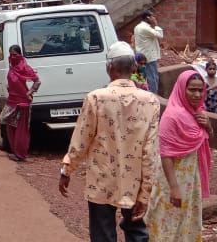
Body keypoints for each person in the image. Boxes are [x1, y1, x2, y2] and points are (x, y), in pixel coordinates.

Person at [59, 42, 159, 242]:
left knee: (102, 233)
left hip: (101, 179)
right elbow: (151, 150)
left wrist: (67, 170)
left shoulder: (96, 98)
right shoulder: (150, 101)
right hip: (135, 180)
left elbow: (81, 139)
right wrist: (146, 191)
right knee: (137, 231)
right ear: (134, 67)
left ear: (109, 68)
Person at [146, 70, 213, 241]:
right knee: (168, 224)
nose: (197, 94)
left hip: (190, 178)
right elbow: (166, 153)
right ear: (182, 89)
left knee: (187, 223)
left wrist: (209, 126)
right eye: (192, 90)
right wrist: (174, 187)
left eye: (201, 90)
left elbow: (203, 140)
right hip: (172, 178)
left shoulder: (198, 113)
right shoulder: (172, 116)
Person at [1, 45, 40, 162]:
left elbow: (37, 81)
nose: (12, 57)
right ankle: (15, 151)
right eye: (11, 55)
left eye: (15, 55)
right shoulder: (12, 67)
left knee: (21, 129)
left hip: (23, 102)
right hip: (12, 101)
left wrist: (30, 91)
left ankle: (21, 154)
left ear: (20, 55)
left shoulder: (25, 67)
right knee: (9, 124)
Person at [133, 10, 164, 93]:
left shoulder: (138, 27)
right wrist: (156, 24)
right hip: (149, 58)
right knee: (153, 78)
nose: (154, 18)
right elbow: (160, 35)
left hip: (141, 56)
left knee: (141, 78)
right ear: (147, 18)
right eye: (152, 16)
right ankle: (154, 96)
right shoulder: (145, 28)